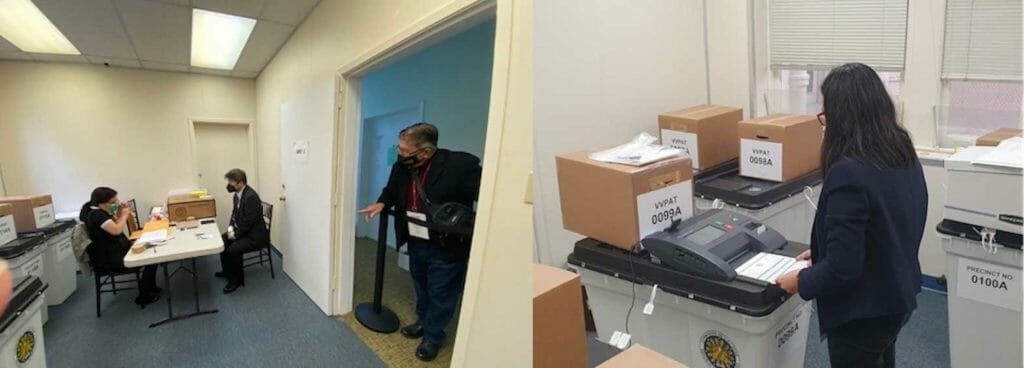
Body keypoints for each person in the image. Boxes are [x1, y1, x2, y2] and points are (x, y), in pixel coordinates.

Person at [776, 63, 927, 368]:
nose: (824, 122)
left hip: (863, 313)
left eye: (825, 115)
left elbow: (844, 269)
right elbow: (888, 224)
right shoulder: (900, 150)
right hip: (897, 295)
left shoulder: (849, 171)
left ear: (841, 117)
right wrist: (824, 251)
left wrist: (801, 282)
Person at [359, 122, 481, 362]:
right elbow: (392, 190)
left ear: (426, 152)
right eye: (399, 148)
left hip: (447, 244)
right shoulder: (402, 166)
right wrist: (382, 203)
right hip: (416, 239)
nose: (400, 154)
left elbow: (487, 195)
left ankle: (434, 337)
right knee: (421, 285)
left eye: (405, 151)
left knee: (441, 292)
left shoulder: (460, 166)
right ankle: (423, 322)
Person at [80, 187, 161, 306]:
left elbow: (115, 224)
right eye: (113, 202)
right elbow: (116, 230)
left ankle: (151, 289)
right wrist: (124, 215)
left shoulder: (100, 212)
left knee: (153, 250)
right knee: (151, 258)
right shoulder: (97, 215)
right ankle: (144, 296)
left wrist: (119, 211)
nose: (115, 204)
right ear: (101, 203)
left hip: (116, 250)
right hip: (110, 258)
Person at [215, 168, 268, 294]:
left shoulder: (251, 197)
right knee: (222, 241)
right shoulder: (237, 195)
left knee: (233, 249)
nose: (229, 185)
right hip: (243, 230)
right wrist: (230, 230)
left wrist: (235, 235)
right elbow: (234, 215)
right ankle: (227, 271)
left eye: (231, 182)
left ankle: (235, 281)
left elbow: (247, 223)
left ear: (240, 183)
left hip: (254, 236)